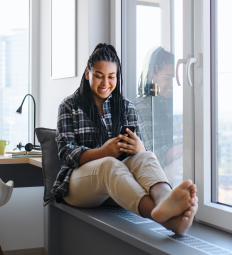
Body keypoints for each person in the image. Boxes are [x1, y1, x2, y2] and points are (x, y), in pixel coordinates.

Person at [52, 43, 198, 235]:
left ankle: (166, 202)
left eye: (111, 77)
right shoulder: (70, 105)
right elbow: (66, 153)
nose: (105, 83)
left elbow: (135, 159)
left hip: (115, 186)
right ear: (88, 73)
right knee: (108, 164)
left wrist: (139, 149)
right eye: (99, 75)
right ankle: (158, 215)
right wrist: (103, 152)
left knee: (146, 156)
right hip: (78, 185)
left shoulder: (126, 106)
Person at [134, 47, 183, 173]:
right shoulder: (141, 106)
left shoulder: (174, 106)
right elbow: (151, 155)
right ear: (152, 77)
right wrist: (185, 148)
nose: (173, 84)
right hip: (157, 174)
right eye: (168, 78)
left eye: (175, 78)